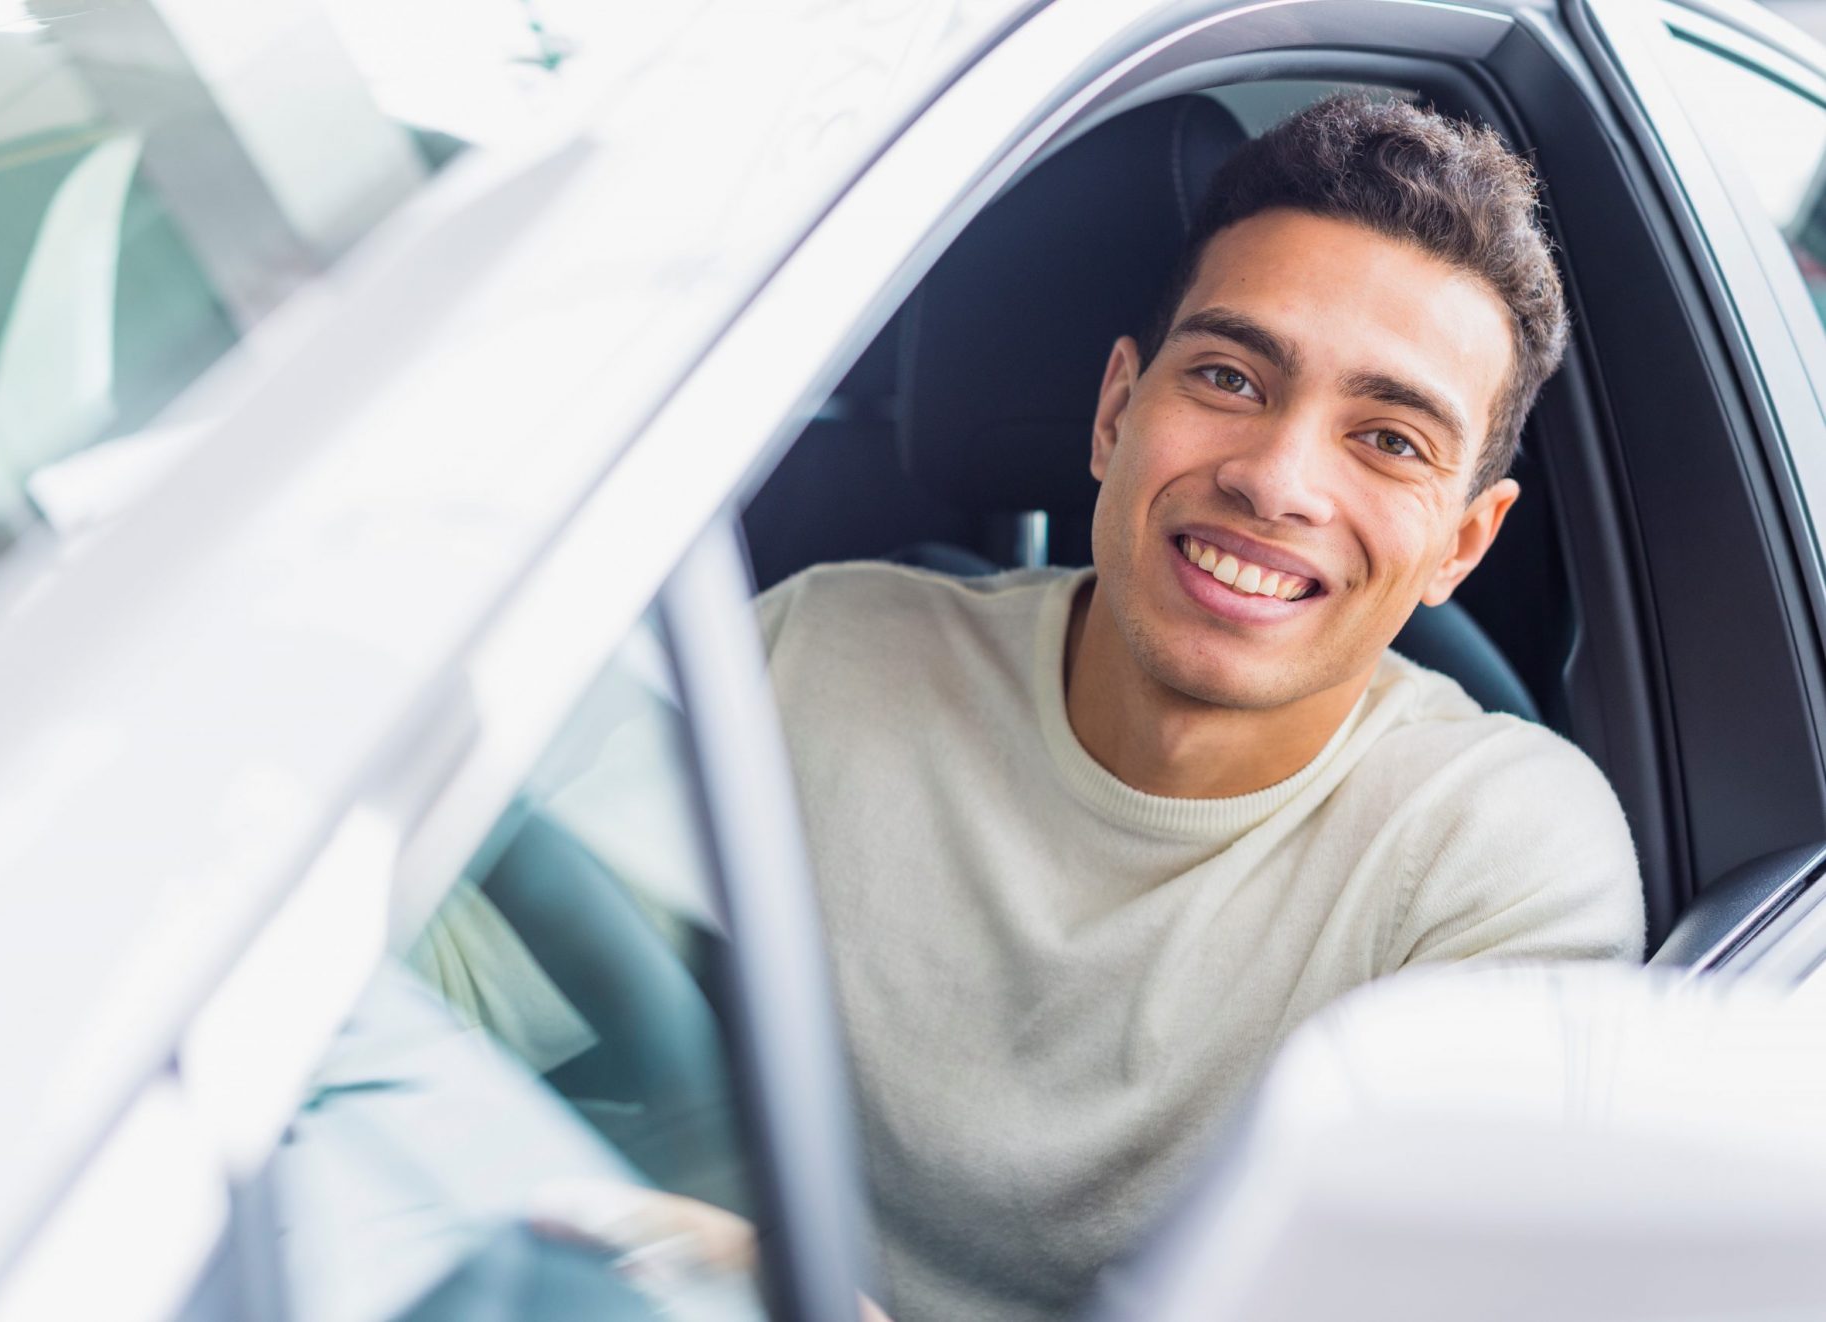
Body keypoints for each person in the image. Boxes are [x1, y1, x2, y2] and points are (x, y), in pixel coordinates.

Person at [536, 93, 1644, 1322]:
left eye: (1388, 439)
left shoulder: (1502, 860)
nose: (1275, 479)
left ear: (1462, 546)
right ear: (1116, 410)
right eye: (1229, 374)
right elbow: (451, 993)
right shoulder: (816, 646)